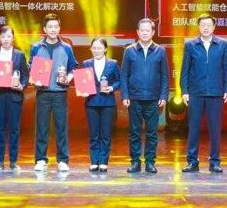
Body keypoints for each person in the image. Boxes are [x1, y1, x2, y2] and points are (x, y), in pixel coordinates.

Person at [180, 13, 227, 173]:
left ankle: (215, 162)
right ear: (198, 26)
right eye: (202, 25)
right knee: (193, 128)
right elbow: (185, 70)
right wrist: (184, 91)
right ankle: (192, 161)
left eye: (208, 25)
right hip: (195, 92)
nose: (205, 28)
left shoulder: (222, 45)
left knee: (215, 129)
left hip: (216, 92)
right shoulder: (191, 45)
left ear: (214, 27)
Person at [120, 18, 169, 173]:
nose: (145, 33)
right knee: (134, 132)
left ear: (153, 32)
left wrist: (163, 96)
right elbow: (124, 75)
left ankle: (150, 162)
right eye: (142, 30)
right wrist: (125, 95)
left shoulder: (160, 51)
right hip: (134, 98)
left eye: (148, 30)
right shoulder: (130, 51)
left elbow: (165, 76)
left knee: (152, 133)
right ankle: (135, 162)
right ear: (137, 32)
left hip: (153, 99)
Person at [30, 13, 77, 172]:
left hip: (60, 92)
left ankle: (63, 160)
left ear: (59, 28)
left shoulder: (66, 47)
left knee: (61, 127)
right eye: (50, 27)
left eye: (56, 26)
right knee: (41, 127)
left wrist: (68, 78)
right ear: (44, 29)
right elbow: (31, 67)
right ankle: (41, 159)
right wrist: (34, 79)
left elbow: (72, 68)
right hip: (42, 92)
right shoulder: (36, 47)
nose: (53, 29)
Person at [0, 25, 29, 172]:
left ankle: (13, 161)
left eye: (9, 36)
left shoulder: (19, 55)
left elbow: (25, 75)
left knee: (14, 129)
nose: (6, 39)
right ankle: (0, 162)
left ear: (13, 38)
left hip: (14, 95)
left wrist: (22, 85)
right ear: (0, 38)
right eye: (3, 37)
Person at [82, 37, 120, 172]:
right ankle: (94, 161)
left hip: (108, 103)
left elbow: (120, 80)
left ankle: (103, 161)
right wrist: (83, 90)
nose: (97, 50)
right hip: (91, 102)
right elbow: (83, 81)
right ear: (91, 49)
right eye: (94, 48)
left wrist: (112, 88)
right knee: (93, 134)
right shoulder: (86, 63)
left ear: (105, 49)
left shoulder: (113, 64)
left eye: (99, 48)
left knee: (106, 134)